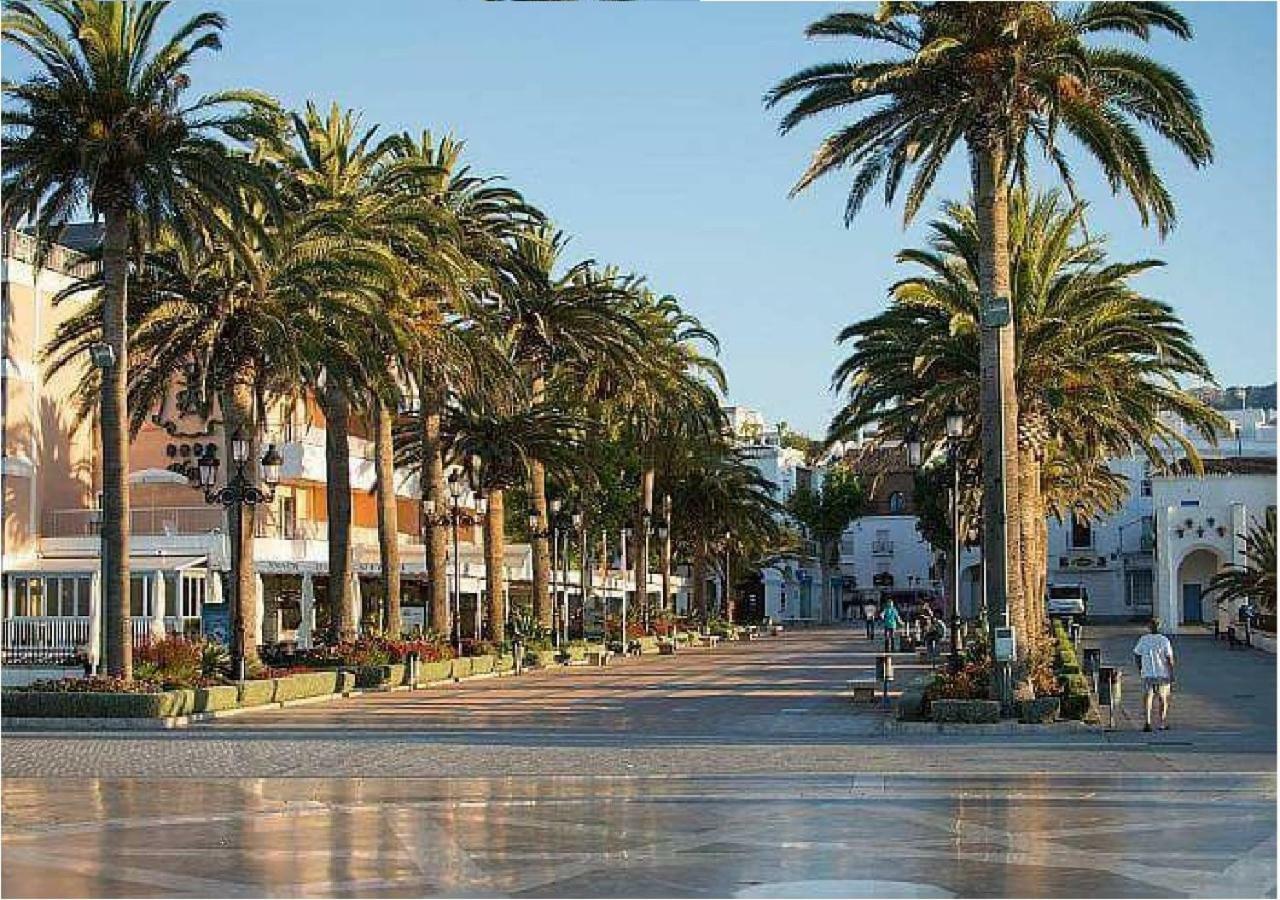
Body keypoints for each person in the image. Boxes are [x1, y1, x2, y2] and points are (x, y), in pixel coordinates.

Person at [1132, 619, 1175, 732]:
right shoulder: (1164, 640)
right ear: (1159, 627)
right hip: (1162, 673)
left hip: (1148, 673)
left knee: (1148, 698)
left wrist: (1140, 667)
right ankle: (1161, 723)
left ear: (1149, 627)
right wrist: (1171, 673)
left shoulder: (1144, 639)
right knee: (1163, 698)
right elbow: (1169, 658)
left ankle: (1147, 722)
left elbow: (1137, 654)